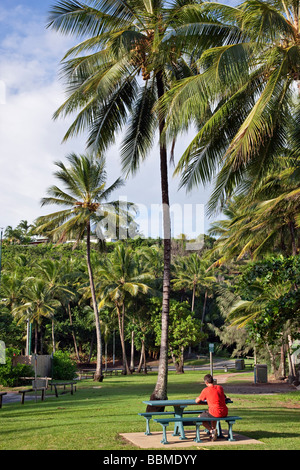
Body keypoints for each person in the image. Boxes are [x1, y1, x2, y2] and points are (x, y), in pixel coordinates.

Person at [195, 374, 229, 441]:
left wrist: (197, 398)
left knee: (199, 418)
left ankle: (211, 431)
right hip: (224, 412)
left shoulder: (206, 390)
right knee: (213, 416)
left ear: (206, 382)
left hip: (215, 412)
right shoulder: (220, 388)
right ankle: (213, 433)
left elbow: (197, 401)